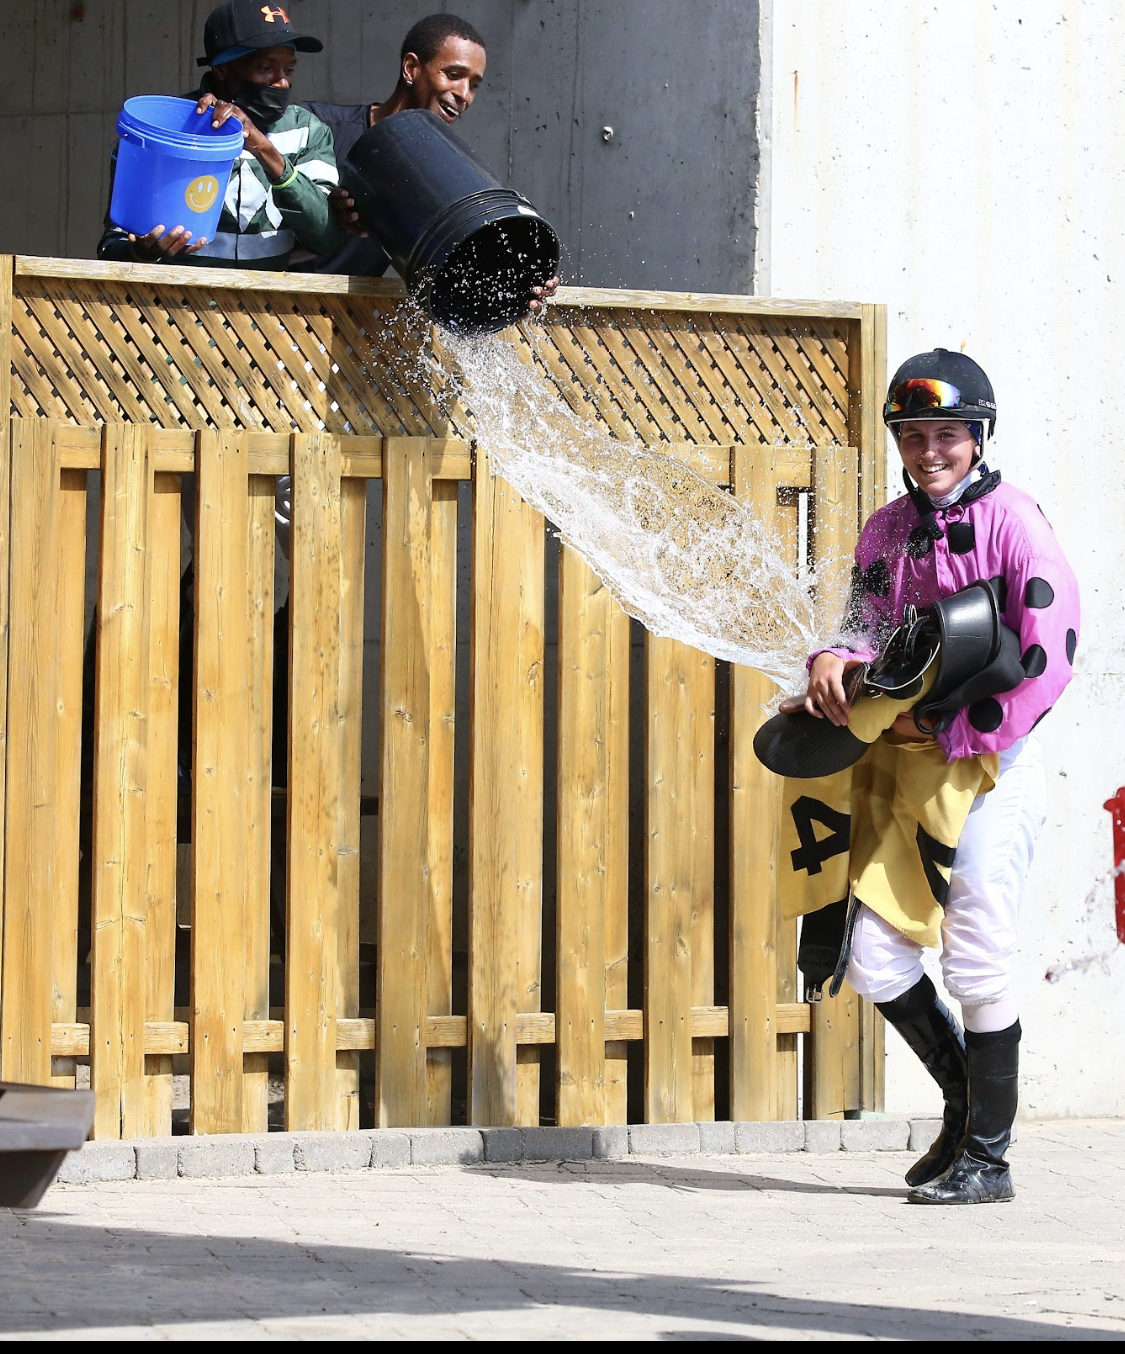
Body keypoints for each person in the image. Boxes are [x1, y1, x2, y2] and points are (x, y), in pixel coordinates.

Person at [781, 349, 1079, 1204]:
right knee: (873, 960)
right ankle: (961, 1112)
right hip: (903, 769)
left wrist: (949, 725)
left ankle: (988, 1160)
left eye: (945, 434)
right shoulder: (883, 528)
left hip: (992, 770)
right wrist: (830, 662)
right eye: (912, 436)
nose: (927, 451)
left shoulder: (1016, 522)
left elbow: (1045, 657)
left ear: (976, 437)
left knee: (976, 960)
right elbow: (860, 625)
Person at [292, 11, 558, 315]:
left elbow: (459, 267)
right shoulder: (318, 127)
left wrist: (518, 286)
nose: (464, 95)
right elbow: (254, 238)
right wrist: (329, 223)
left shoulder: (447, 169)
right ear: (411, 68)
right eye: (454, 75)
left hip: (347, 334)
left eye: (474, 85)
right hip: (269, 317)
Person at [98, 0, 342, 269]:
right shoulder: (166, 131)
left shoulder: (306, 130)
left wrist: (265, 151)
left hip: (266, 310)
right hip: (177, 308)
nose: (282, 82)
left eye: (289, 69)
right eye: (265, 68)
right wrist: (144, 252)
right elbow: (111, 248)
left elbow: (325, 236)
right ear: (222, 68)